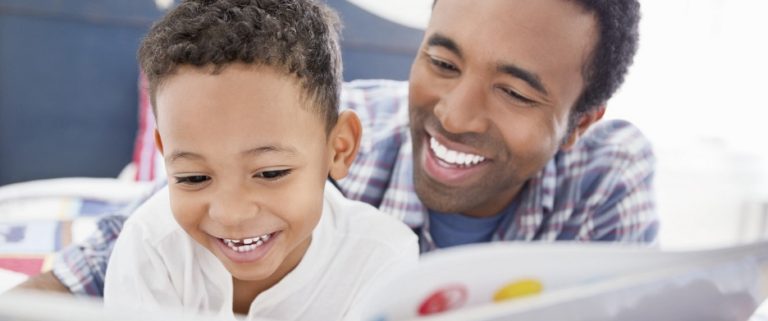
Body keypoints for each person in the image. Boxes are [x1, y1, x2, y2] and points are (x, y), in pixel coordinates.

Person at [17, 0, 658, 296]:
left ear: (579, 123)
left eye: (515, 93)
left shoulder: (606, 176)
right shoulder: (301, 126)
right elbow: (77, 276)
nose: (455, 115)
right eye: (440, 60)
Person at [98, 0, 418, 319]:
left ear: (339, 148)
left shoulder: (381, 258)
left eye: (270, 173)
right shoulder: (151, 247)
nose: (231, 214)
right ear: (164, 153)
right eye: (193, 177)